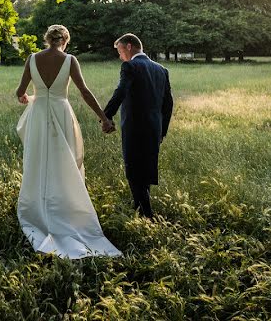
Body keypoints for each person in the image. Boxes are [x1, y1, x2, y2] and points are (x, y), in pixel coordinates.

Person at [15, 24, 122, 259]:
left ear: (47, 39)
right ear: (65, 40)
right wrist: (104, 118)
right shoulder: (70, 59)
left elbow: (20, 92)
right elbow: (84, 91)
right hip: (61, 113)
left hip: (39, 112)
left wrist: (27, 97)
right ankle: (64, 208)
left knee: (39, 160)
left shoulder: (32, 58)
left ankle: (39, 209)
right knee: (65, 162)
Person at [103, 33, 174, 220]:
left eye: (119, 51)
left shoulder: (130, 66)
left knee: (134, 170)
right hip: (154, 128)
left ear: (128, 46)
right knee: (146, 169)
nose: (120, 56)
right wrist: (162, 130)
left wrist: (106, 115)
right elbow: (168, 104)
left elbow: (121, 91)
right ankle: (138, 206)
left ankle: (147, 214)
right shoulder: (161, 69)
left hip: (134, 128)